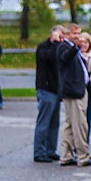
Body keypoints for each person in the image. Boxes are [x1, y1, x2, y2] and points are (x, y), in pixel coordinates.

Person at [56, 23, 91, 167]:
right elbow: (65, 57)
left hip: (79, 90)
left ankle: (66, 155)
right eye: (74, 34)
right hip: (73, 92)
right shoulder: (64, 48)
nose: (78, 36)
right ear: (66, 35)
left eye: (79, 33)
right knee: (80, 125)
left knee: (70, 125)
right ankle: (83, 156)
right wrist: (75, 47)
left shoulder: (74, 50)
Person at [33, 26, 64, 163]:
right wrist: (56, 43)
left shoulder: (58, 47)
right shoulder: (44, 48)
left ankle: (51, 150)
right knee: (44, 122)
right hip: (46, 89)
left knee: (54, 123)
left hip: (56, 90)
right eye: (59, 36)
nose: (61, 40)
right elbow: (51, 57)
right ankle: (39, 151)